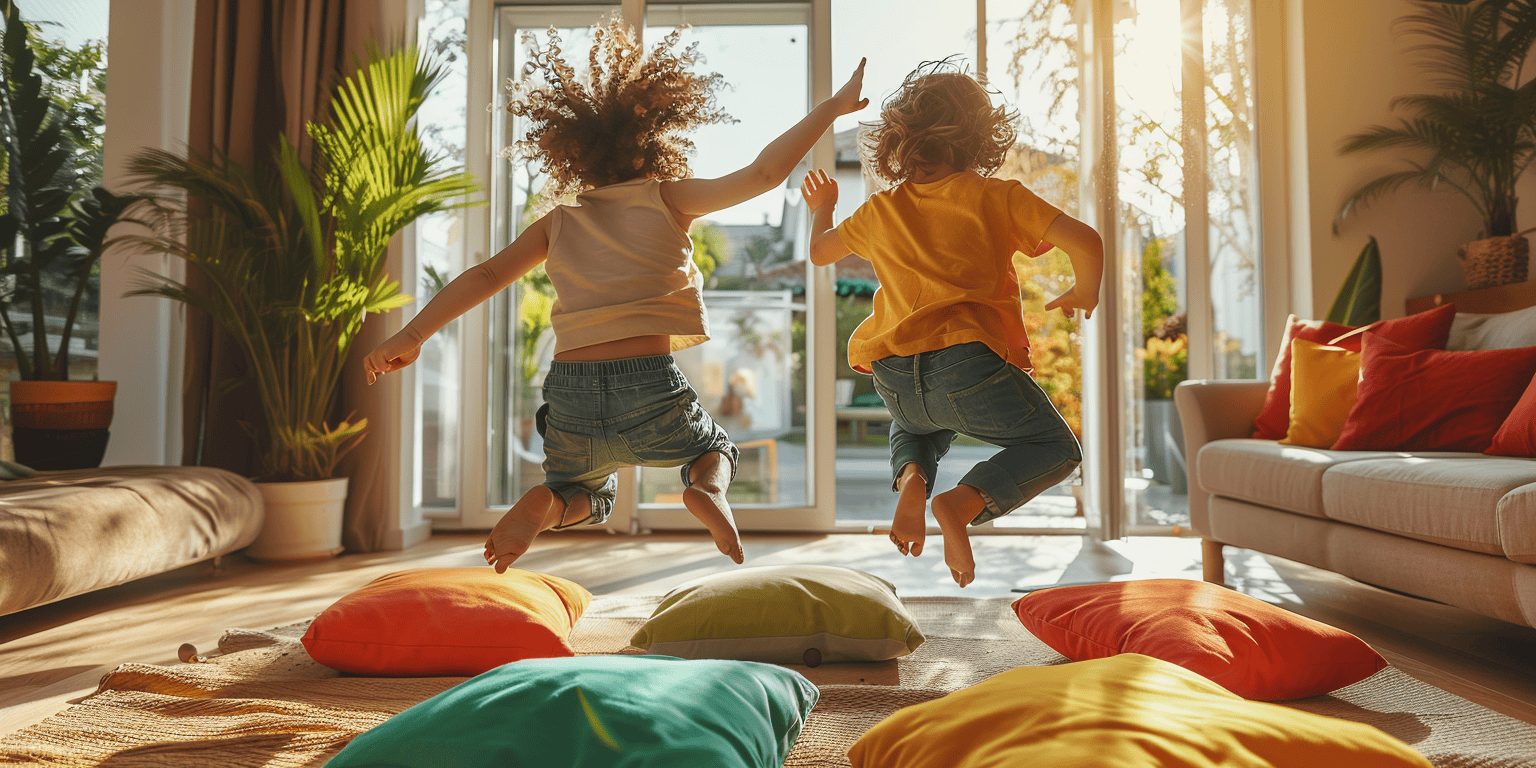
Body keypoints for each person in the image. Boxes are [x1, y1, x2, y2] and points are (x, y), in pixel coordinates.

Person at [363, 16, 868, 573]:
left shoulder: (559, 220)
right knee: (714, 450)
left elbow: (484, 276)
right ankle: (707, 490)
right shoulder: (666, 198)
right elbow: (766, 172)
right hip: (649, 382)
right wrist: (833, 108)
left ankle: (548, 502)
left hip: (570, 394)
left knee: (588, 496)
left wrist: (410, 336)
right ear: (658, 140)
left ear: (573, 154)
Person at [800, 60, 1102, 587]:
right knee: (1055, 449)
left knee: (915, 424)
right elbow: (1087, 241)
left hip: (892, 373)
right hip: (967, 365)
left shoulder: (878, 210)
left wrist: (824, 208)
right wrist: (1085, 288)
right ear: (978, 138)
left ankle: (914, 476)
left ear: (899, 143)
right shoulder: (996, 197)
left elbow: (820, 252)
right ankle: (960, 506)